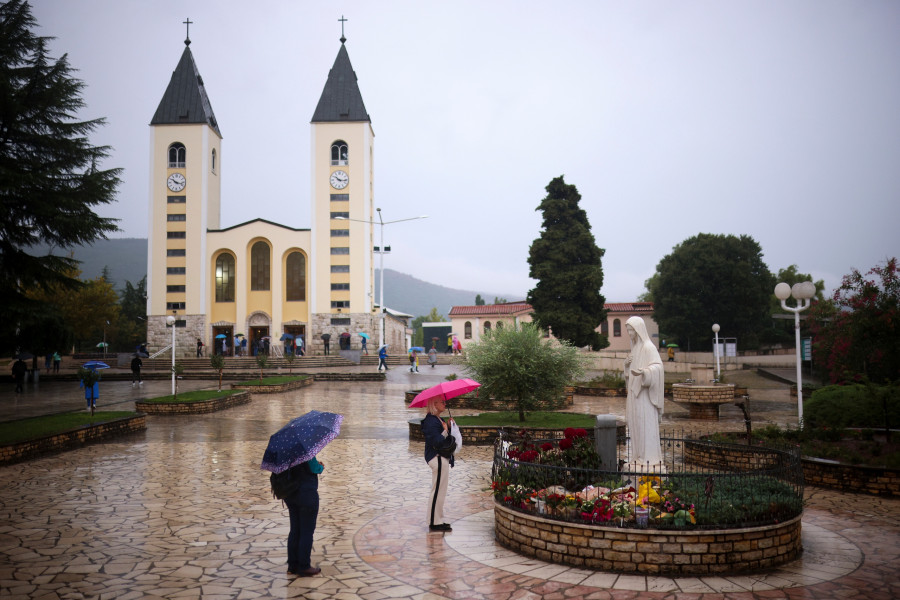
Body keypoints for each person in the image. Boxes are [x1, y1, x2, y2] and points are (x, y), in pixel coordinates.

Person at [624, 316, 665, 467]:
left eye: (631, 330)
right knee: (636, 426)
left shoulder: (649, 347)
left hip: (645, 397)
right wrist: (626, 366)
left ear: (638, 330)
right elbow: (629, 372)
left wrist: (646, 372)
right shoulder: (635, 348)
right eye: (628, 330)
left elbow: (658, 368)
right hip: (635, 394)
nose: (629, 333)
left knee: (644, 425)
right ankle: (638, 456)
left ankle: (648, 458)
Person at [277, 457, 323, 577]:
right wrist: (321, 466)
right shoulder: (305, 452)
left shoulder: (284, 453)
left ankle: (292, 566)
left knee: (295, 530)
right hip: (307, 494)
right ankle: (304, 566)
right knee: (306, 531)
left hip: (291, 494)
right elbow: (315, 468)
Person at [421, 397, 457, 532]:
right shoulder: (431, 421)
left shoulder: (438, 419)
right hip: (437, 457)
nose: (444, 404)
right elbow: (437, 442)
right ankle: (434, 522)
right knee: (437, 491)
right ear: (434, 404)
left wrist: (448, 426)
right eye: (442, 402)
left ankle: (438, 519)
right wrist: (444, 430)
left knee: (440, 490)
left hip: (441, 458)